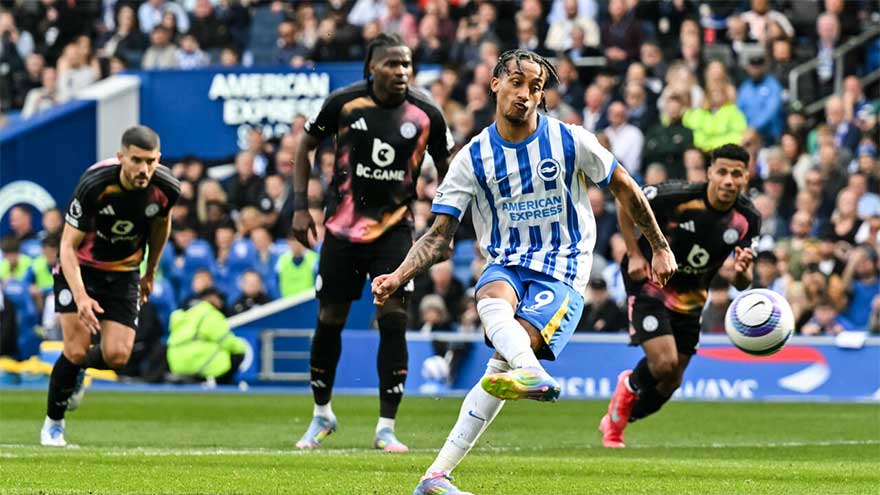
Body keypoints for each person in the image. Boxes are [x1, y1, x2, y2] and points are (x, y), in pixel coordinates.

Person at [371, 49, 676, 494]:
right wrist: (398, 275)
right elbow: (439, 236)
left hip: (563, 267)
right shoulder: (471, 158)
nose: (526, 93)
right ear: (495, 84)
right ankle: (449, 463)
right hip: (507, 261)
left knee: (502, 363)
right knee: (491, 299)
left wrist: (659, 247)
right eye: (516, 82)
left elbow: (625, 187)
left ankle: (437, 473)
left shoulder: (570, 140)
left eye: (535, 87)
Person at [291, 33, 452, 453]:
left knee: (394, 319)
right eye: (393, 64)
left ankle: (386, 427)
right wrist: (299, 206)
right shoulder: (344, 103)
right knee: (330, 318)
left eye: (407, 64)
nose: (401, 72)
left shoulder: (426, 112)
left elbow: (450, 167)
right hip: (342, 230)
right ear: (371, 69)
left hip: (395, 231)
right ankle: (322, 414)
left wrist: (444, 228)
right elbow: (306, 142)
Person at [599, 143, 761, 449]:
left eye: (736, 174)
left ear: (745, 178)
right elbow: (624, 198)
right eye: (722, 172)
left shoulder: (748, 218)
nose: (728, 180)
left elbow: (743, 283)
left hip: (691, 298)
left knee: (671, 380)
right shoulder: (677, 196)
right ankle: (622, 407)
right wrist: (634, 253)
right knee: (664, 364)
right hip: (650, 283)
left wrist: (742, 271)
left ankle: (621, 415)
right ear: (710, 172)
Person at [40, 126, 180, 447]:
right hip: (81, 269)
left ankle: (77, 372)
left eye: (151, 161)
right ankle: (54, 424)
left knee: (117, 355)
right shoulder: (95, 185)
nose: (144, 169)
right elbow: (66, 246)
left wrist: (151, 271)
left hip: (124, 272)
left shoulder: (167, 188)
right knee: (75, 349)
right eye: (136, 160)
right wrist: (81, 297)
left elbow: (161, 225)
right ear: (121, 158)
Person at [167, 287, 246, 384]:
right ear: (211, 298)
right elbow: (226, 340)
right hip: (199, 362)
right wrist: (242, 347)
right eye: (219, 298)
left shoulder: (183, 313)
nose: (221, 302)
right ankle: (217, 383)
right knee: (237, 353)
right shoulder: (209, 313)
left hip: (175, 362)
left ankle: (193, 379)